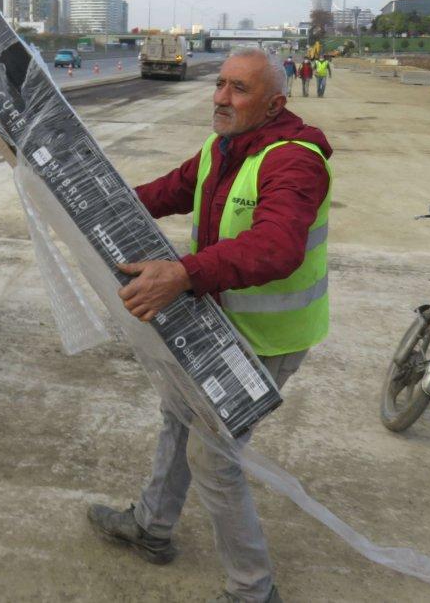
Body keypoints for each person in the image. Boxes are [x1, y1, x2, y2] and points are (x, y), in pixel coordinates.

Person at [86, 48, 332, 603]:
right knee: (178, 415)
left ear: (275, 104)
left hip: (269, 339)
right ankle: (152, 527)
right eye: (220, 84)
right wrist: (88, 201)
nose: (221, 97)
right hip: (220, 326)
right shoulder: (222, 149)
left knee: (213, 458)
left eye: (238, 89)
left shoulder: (295, 161)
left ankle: (252, 591)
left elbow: (277, 247)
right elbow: (166, 192)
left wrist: (183, 274)